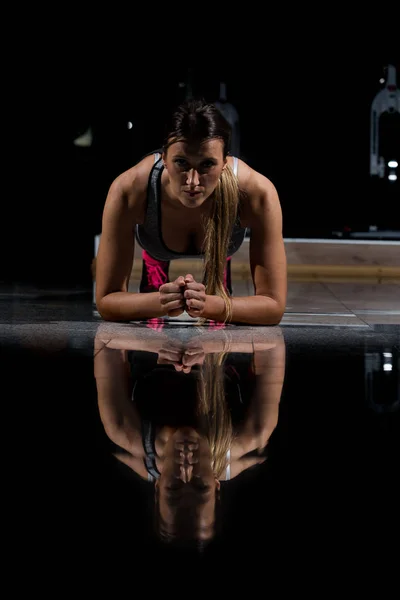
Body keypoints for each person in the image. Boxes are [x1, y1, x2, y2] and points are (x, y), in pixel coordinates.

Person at [95, 99, 287, 325]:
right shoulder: (130, 189)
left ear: (225, 163)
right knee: (155, 274)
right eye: (182, 163)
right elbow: (106, 301)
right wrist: (162, 302)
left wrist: (211, 305)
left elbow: (273, 306)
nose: (193, 181)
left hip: (223, 223)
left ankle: (218, 265)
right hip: (155, 238)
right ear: (164, 158)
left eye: (207, 165)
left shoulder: (257, 193)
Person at [94, 324, 286, 547]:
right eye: (200, 486)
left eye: (174, 487)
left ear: (157, 486)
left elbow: (104, 336)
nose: (185, 470)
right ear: (216, 485)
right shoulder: (254, 432)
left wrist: (157, 343)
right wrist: (214, 343)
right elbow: (274, 340)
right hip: (221, 315)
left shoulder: (122, 429)